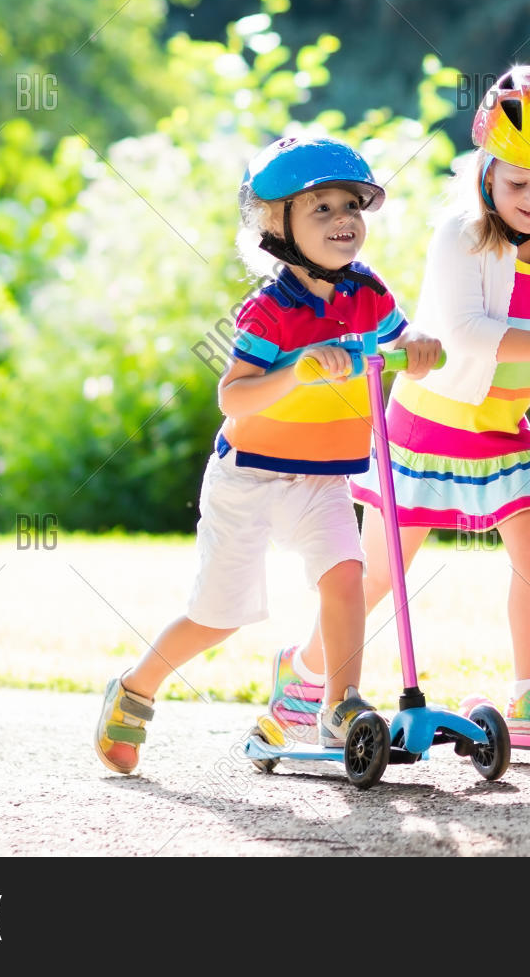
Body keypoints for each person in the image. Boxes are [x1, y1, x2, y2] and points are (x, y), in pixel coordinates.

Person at [264, 64, 530, 744]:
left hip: (503, 428)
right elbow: (465, 334)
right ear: (486, 170)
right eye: (519, 183)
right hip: (428, 425)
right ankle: (303, 675)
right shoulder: (459, 236)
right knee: (382, 573)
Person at [94, 136, 441, 774]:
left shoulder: (367, 292)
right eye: (322, 209)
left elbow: (401, 332)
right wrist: (299, 372)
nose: (344, 219)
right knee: (219, 617)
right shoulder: (270, 310)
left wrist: (419, 343)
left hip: (324, 481)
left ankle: (339, 704)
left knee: (346, 581)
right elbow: (234, 398)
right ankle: (136, 687)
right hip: (249, 478)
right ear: (276, 228)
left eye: (352, 206)